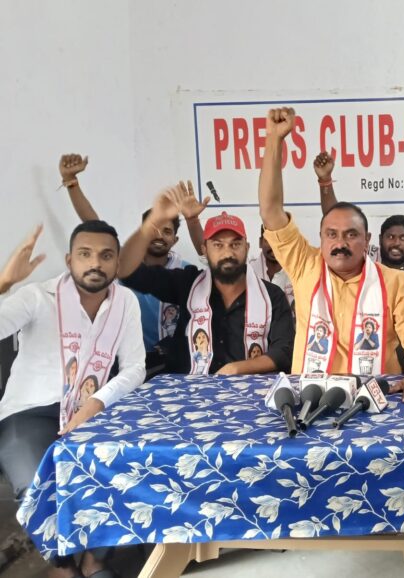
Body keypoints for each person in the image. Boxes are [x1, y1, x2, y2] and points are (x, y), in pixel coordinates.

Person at [258, 107, 404, 403]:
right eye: (331, 234)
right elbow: (270, 211)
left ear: (367, 240)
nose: (340, 243)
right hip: (309, 397)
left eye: (351, 235)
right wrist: (274, 139)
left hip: (374, 399)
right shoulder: (304, 265)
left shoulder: (393, 281)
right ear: (320, 238)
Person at [0, 222, 145, 578]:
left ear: (117, 263)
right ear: (69, 260)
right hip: (29, 412)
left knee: (118, 472)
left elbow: (135, 367)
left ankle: (96, 560)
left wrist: (97, 403)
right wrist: (3, 284)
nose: (95, 263)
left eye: (106, 255)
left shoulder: (125, 302)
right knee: (36, 486)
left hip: (92, 409)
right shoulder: (38, 297)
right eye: (85, 254)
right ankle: (63, 567)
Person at [118, 185, 294, 375]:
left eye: (235, 244)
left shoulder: (271, 296)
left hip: (249, 389)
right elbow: (127, 272)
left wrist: (237, 368)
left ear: (247, 247)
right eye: (218, 245)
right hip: (187, 389)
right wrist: (151, 223)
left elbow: (284, 350)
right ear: (204, 249)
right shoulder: (188, 283)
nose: (227, 253)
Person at [59, 155, 204, 373]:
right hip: (124, 362)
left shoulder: (184, 272)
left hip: (170, 364)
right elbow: (93, 224)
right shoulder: (124, 262)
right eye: (154, 228)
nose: (159, 235)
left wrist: (193, 221)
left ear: (175, 240)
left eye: (167, 231)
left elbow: (210, 255)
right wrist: (72, 183)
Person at [314, 151, 404, 363]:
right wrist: (325, 182)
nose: (396, 243)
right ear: (377, 239)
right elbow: (338, 221)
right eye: (390, 237)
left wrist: (399, 339)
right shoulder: (367, 257)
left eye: (403, 238)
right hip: (361, 339)